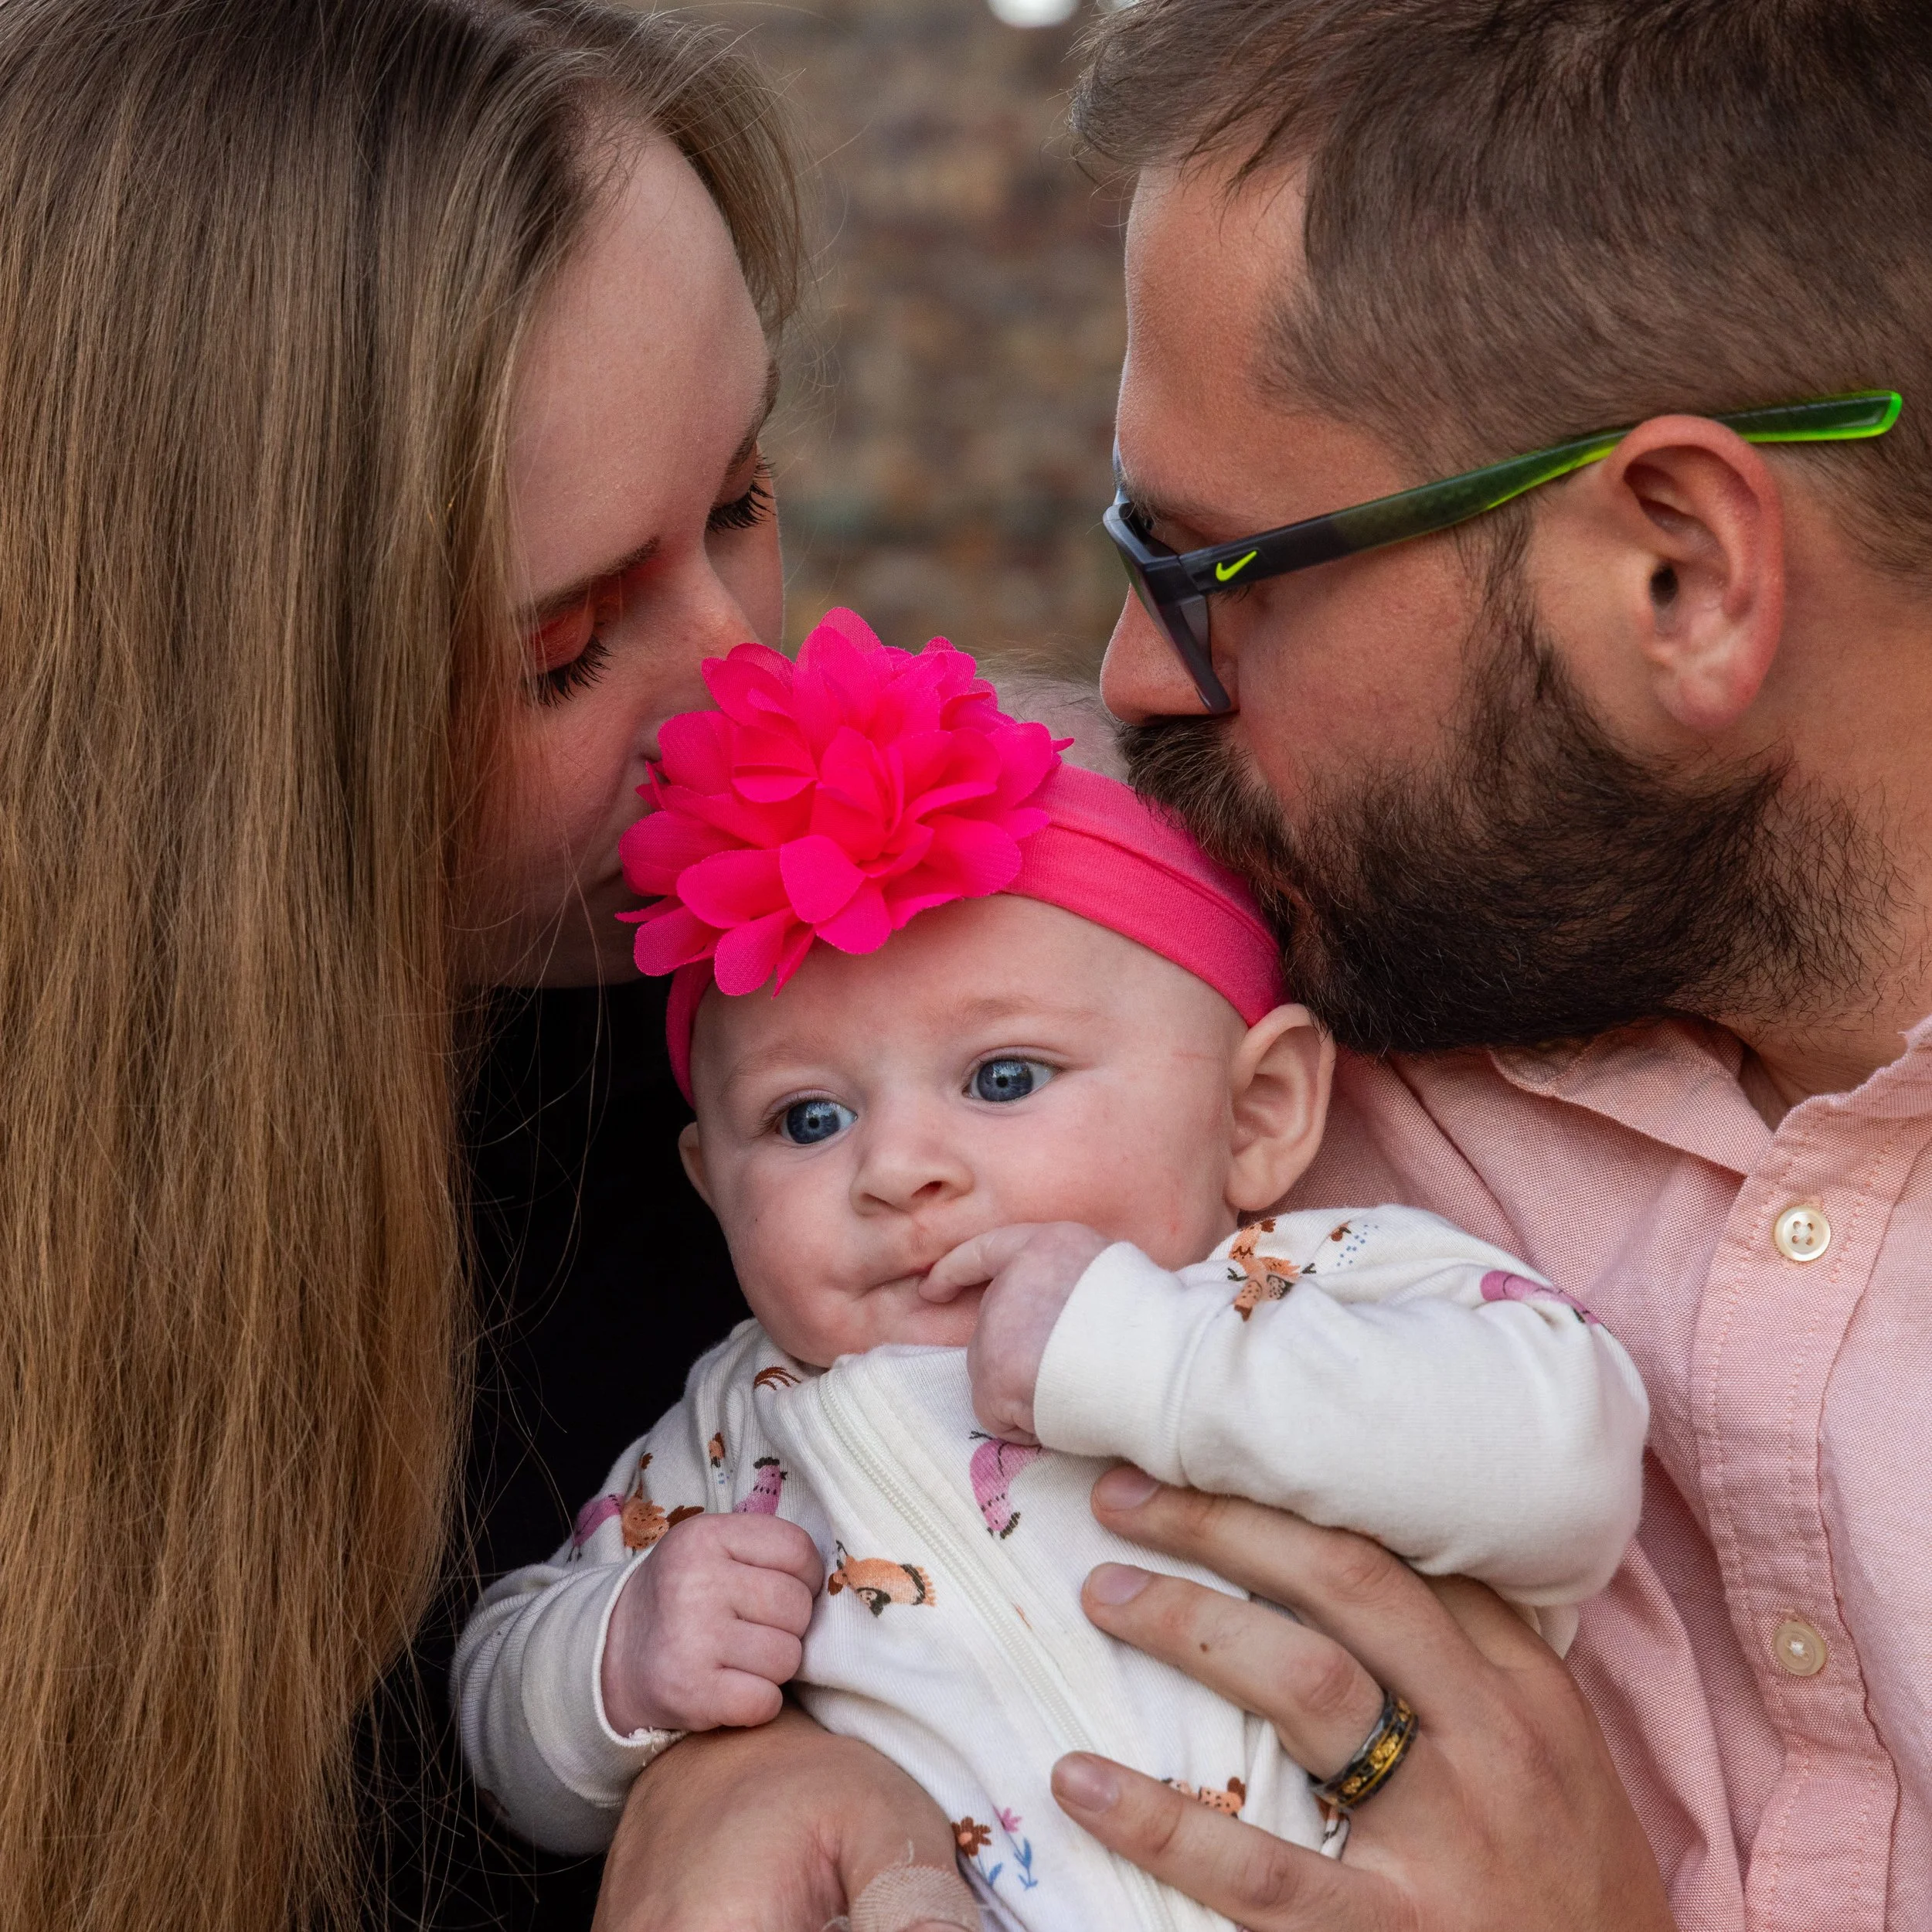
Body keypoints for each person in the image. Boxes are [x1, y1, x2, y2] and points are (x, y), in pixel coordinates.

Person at [594, 3, 1932, 1930]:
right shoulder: (1237, 988)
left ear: (1681, 572)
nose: (1135, 685)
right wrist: (763, 1762)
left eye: (1218, 570)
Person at [0, 2, 954, 1926]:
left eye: (744, 501)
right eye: (557, 646)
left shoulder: (852, 1081)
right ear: (200, 733)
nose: (740, 686)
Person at [452, 617, 1645, 1928]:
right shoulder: (745, 1431)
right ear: (708, 1185)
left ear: (1257, 1115)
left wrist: (1152, 1361)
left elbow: (1570, 1463)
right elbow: (498, 1699)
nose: (899, 1169)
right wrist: (617, 1659)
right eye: (806, 1119)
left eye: (1004, 1079)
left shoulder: (1309, 1291)